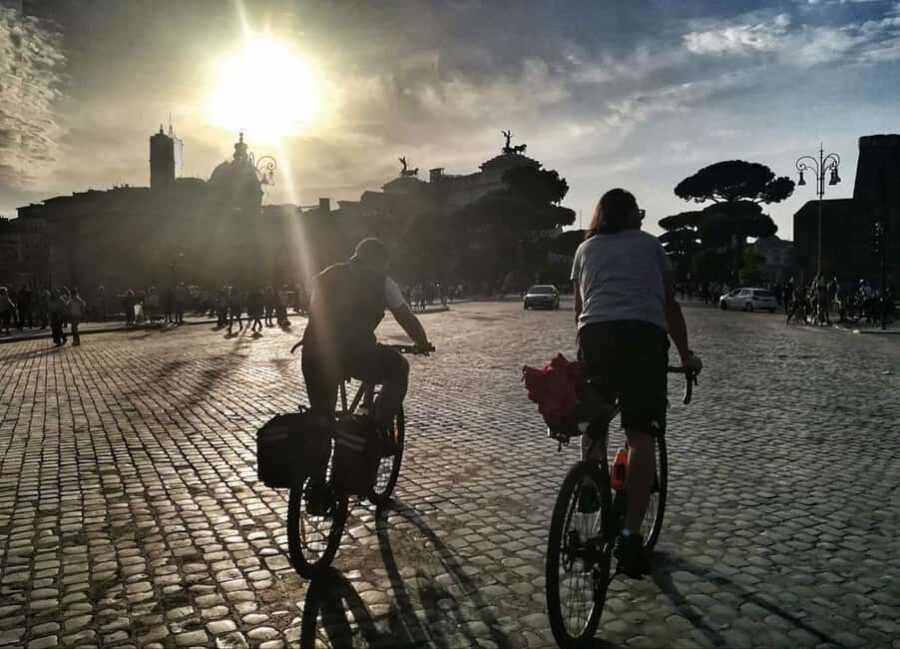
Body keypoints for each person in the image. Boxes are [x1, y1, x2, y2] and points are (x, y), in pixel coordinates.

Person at [571, 189, 701, 578]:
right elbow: (669, 307)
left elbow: (580, 311)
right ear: (631, 215)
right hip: (642, 340)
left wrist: (585, 354)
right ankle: (629, 535)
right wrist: (685, 356)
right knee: (641, 434)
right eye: (639, 213)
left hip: (593, 337)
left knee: (596, 416)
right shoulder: (649, 246)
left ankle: (591, 481)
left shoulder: (584, 249)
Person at [301, 237, 431, 437]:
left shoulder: (326, 276)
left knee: (322, 421)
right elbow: (405, 316)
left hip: (314, 353)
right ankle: (376, 429)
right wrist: (421, 341)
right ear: (378, 263)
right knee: (399, 368)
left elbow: (314, 314)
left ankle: (316, 456)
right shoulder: (383, 283)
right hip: (354, 352)